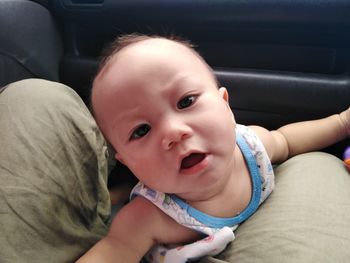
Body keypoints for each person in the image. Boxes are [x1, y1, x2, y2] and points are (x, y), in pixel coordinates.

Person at [77, 34, 350, 263]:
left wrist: (342, 123)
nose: (173, 132)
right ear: (126, 162)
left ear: (225, 105)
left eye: (186, 102)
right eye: (141, 130)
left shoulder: (251, 148)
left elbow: (288, 140)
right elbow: (112, 251)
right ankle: (120, 193)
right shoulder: (148, 217)